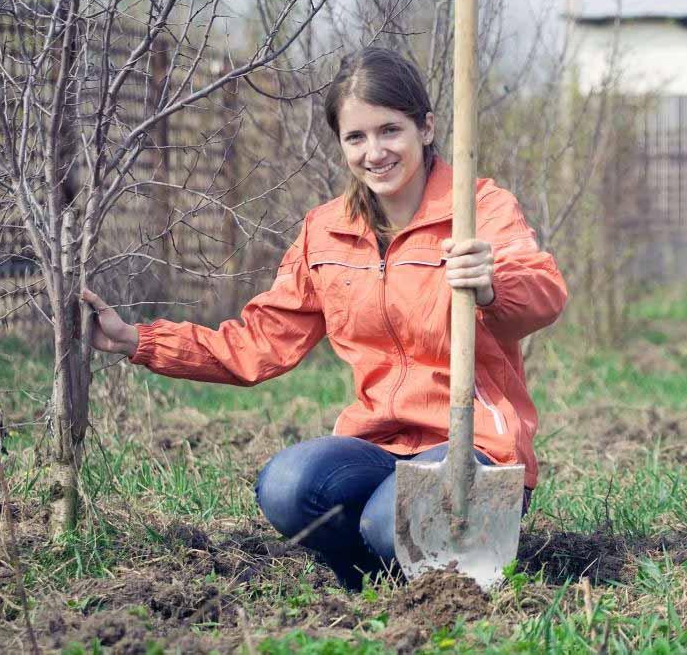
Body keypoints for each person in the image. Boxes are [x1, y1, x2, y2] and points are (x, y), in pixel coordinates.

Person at [82, 47, 567, 588]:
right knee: (288, 485)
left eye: (390, 131)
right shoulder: (326, 231)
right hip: (377, 445)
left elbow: (545, 292)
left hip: (471, 446)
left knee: (391, 526)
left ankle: (441, 565)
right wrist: (138, 340)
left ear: (426, 128)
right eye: (356, 138)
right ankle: (373, 579)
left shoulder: (479, 208)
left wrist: (491, 286)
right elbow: (261, 341)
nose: (375, 152)